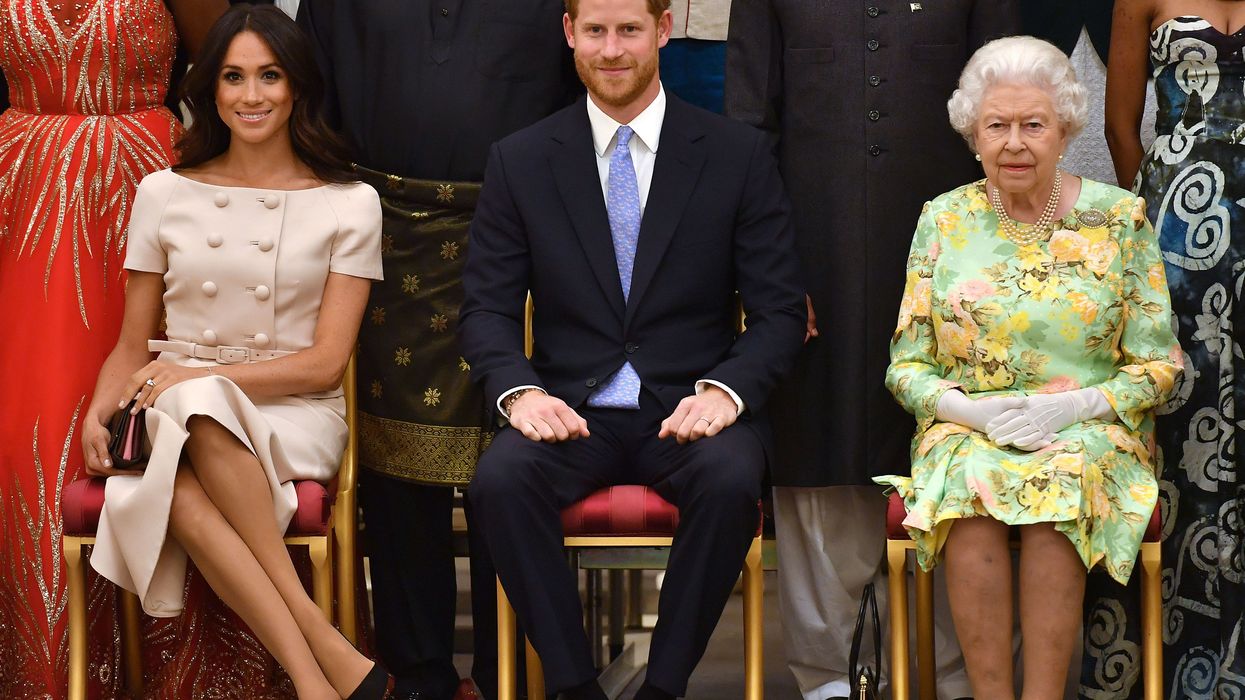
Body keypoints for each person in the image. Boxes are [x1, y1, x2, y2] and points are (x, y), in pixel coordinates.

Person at [458, 0, 806, 697]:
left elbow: (777, 312)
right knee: (497, 481)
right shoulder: (520, 159)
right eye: (594, 31)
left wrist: (725, 391)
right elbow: (486, 310)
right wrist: (520, 392)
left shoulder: (734, 155)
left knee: (732, 479)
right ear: (569, 35)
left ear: (663, 32)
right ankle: (572, 686)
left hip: (688, 408)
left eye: (628, 30)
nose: (611, 49)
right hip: (571, 410)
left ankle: (662, 688)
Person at [80, 6, 387, 699]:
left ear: (298, 86)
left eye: (270, 76)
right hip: (174, 408)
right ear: (211, 90)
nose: (253, 96)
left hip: (294, 412)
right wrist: (97, 410)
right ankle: (317, 670)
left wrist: (196, 374)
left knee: (194, 408)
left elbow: (323, 364)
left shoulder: (350, 202)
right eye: (234, 77)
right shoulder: (163, 192)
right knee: (181, 455)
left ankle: (313, 662)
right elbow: (132, 344)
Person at [724, 2, 1020, 698]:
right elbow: (748, 125)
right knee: (817, 452)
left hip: (952, 260)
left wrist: (1001, 265)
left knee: (954, 458)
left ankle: (958, 675)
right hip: (810, 252)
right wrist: (769, 272)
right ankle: (826, 675)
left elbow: (1006, 104)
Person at [875, 35, 1183, 698]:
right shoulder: (942, 220)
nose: (1014, 142)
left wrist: (1074, 407)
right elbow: (906, 367)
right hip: (968, 428)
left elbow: (1160, 365)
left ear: (1066, 128)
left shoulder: (1118, 218)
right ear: (972, 134)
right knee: (969, 481)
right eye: (997, 126)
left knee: (1057, 482)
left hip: (1091, 429)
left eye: (1032, 125)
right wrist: (969, 413)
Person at [294, 4, 581, 696]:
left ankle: (508, 674)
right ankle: (418, 677)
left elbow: (582, 101)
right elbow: (311, 100)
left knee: (514, 464)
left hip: (521, 236)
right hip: (383, 237)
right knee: (393, 482)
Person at [0, 0, 226, 696]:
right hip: (25, 194)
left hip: (145, 188)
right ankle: (52, 671)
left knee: (149, 415)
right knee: (27, 433)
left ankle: (177, 673)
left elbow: (222, 62)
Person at [1105, 1, 1245, 694]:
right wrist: (1150, 219)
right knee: (1177, 419)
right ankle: (1171, 661)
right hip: (1175, 229)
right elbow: (1118, 125)